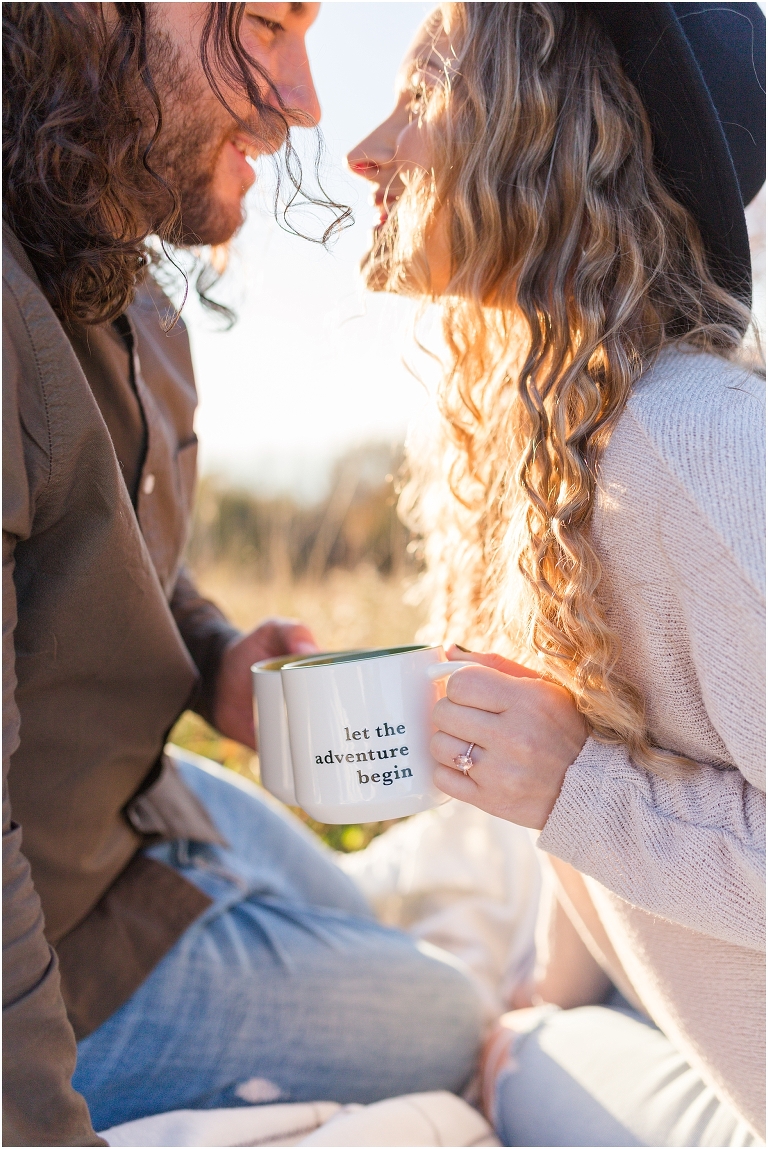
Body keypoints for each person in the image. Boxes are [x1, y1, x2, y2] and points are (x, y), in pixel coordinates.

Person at [2, 5, 485, 1144]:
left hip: (137, 804)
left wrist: (217, 660)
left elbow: (93, 554)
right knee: (456, 1023)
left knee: (394, 943)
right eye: (265, 21)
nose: (308, 101)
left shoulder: (140, 302)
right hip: (56, 942)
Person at [348, 2, 765, 1145]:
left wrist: (580, 788)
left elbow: (595, 791)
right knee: (522, 1047)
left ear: (551, 132)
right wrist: (543, 983)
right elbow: (608, 797)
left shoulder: (695, 449)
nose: (365, 146)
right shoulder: (568, 450)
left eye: (426, 87)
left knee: (515, 1068)